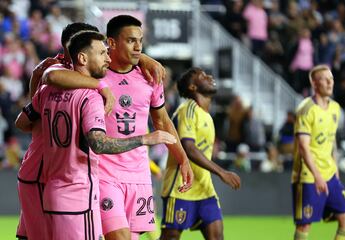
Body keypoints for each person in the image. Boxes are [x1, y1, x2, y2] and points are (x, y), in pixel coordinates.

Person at [15, 30, 177, 240]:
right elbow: (98, 144)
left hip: (49, 188)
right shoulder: (90, 97)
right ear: (82, 57)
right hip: (78, 194)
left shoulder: (47, 90)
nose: (108, 58)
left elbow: (22, 122)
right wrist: (145, 139)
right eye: (102, 53)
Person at [98, 15, 193, 240]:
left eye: (140, 40)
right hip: (104, 172)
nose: (138, 46)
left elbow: (163, 122)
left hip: (139, 174)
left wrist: (183, 159)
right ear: (111, 43)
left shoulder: (150, 77)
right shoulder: (95, 73)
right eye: (131, 40)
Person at [160, 67, 241, 240]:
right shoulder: (187, 110)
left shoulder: (207, 116)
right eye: (203, 76)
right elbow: (189, 148)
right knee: (170, 237)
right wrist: (221, 172)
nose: (209, 77)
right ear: (192, 87)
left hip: (205, 189)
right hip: (180, 188)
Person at [292, 64, 345, 240]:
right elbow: (303, 147)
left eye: (331, 79)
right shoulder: (306, 109)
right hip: (308, 176)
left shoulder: (335, 109)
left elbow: (331, 140)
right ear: (314, 83)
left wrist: (335, 169)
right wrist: (317, 175)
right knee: (304, 224)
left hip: (330, 174)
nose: (329, 83)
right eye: (324, 79)